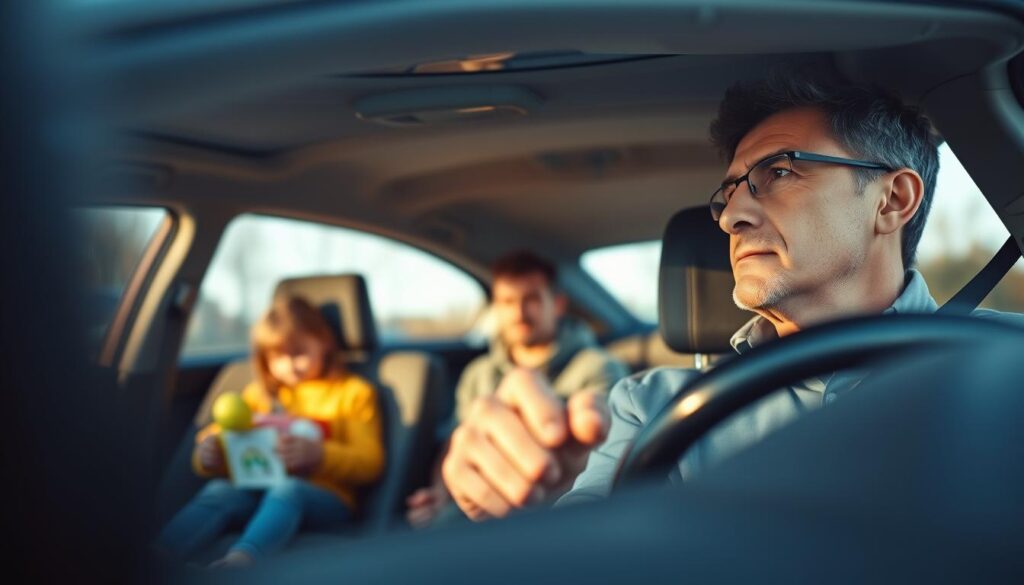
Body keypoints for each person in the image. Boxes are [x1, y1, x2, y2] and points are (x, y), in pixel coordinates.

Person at [443, 71, 1024, 517]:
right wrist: (542, 511)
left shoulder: (1010, 366)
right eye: (728, 195)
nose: (731, 217)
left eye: (781, 172)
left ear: (892, 199)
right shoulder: (648, 407)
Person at [406, 251, 628, 526]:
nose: (519, 312)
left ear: (557, 304)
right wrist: (440, 494)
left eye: (531, 299)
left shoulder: (598, 366)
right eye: (507, 302)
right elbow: (456, 442)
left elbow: (610, 447)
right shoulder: (478, 373)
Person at [158, 296, 384, 566]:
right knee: (219, 490)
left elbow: (371, 462)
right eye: (278, 356)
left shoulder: (352, 393)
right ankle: (158, 557)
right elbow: (224, 435)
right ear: (265, 359)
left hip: (325, 499)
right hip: (257, 491)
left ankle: (242, 560)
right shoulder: (261, 396)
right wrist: (210, 452)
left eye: (299, 352)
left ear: (324, 342)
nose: (289, 365)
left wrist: (320, 455)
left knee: (288, 490)